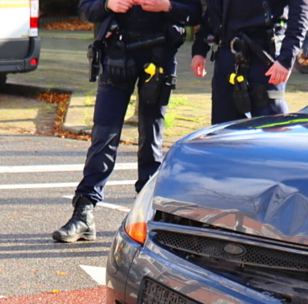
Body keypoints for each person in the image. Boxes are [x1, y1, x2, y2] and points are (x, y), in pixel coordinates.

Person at [53, 0, 200, 243]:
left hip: (159, 57)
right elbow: (85, 9)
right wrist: (108, 4)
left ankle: (149, 217)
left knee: (151, 137)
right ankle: (84, 212)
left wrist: (167, 7)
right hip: (116, 54)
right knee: (104, 135)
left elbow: (196, 13)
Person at [191, 0, 308, 125]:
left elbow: (302, 10)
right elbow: (212, 11)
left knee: (271, 127)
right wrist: (199, 49)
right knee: (224, 129)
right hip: (226, 56)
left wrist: (286, 58)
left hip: (265, 56)